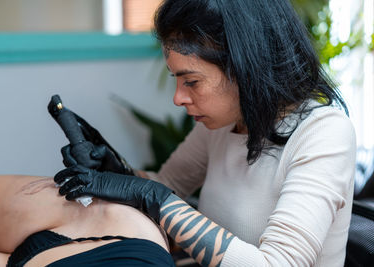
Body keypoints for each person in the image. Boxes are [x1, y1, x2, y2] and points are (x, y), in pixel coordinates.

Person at [54, 0, 357, 266]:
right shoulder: (223, 125)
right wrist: (115, 169)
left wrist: (151, 195)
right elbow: (167, 186)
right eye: (176, 80)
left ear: (246, 68)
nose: (178, 98)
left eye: (192, 82)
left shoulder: (323, 132)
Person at [0, 175, 175, 266]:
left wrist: (159, 198)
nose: (178, 99)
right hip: (112, 229)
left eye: (193, 85)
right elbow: (172, 179)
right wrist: (119, 169)